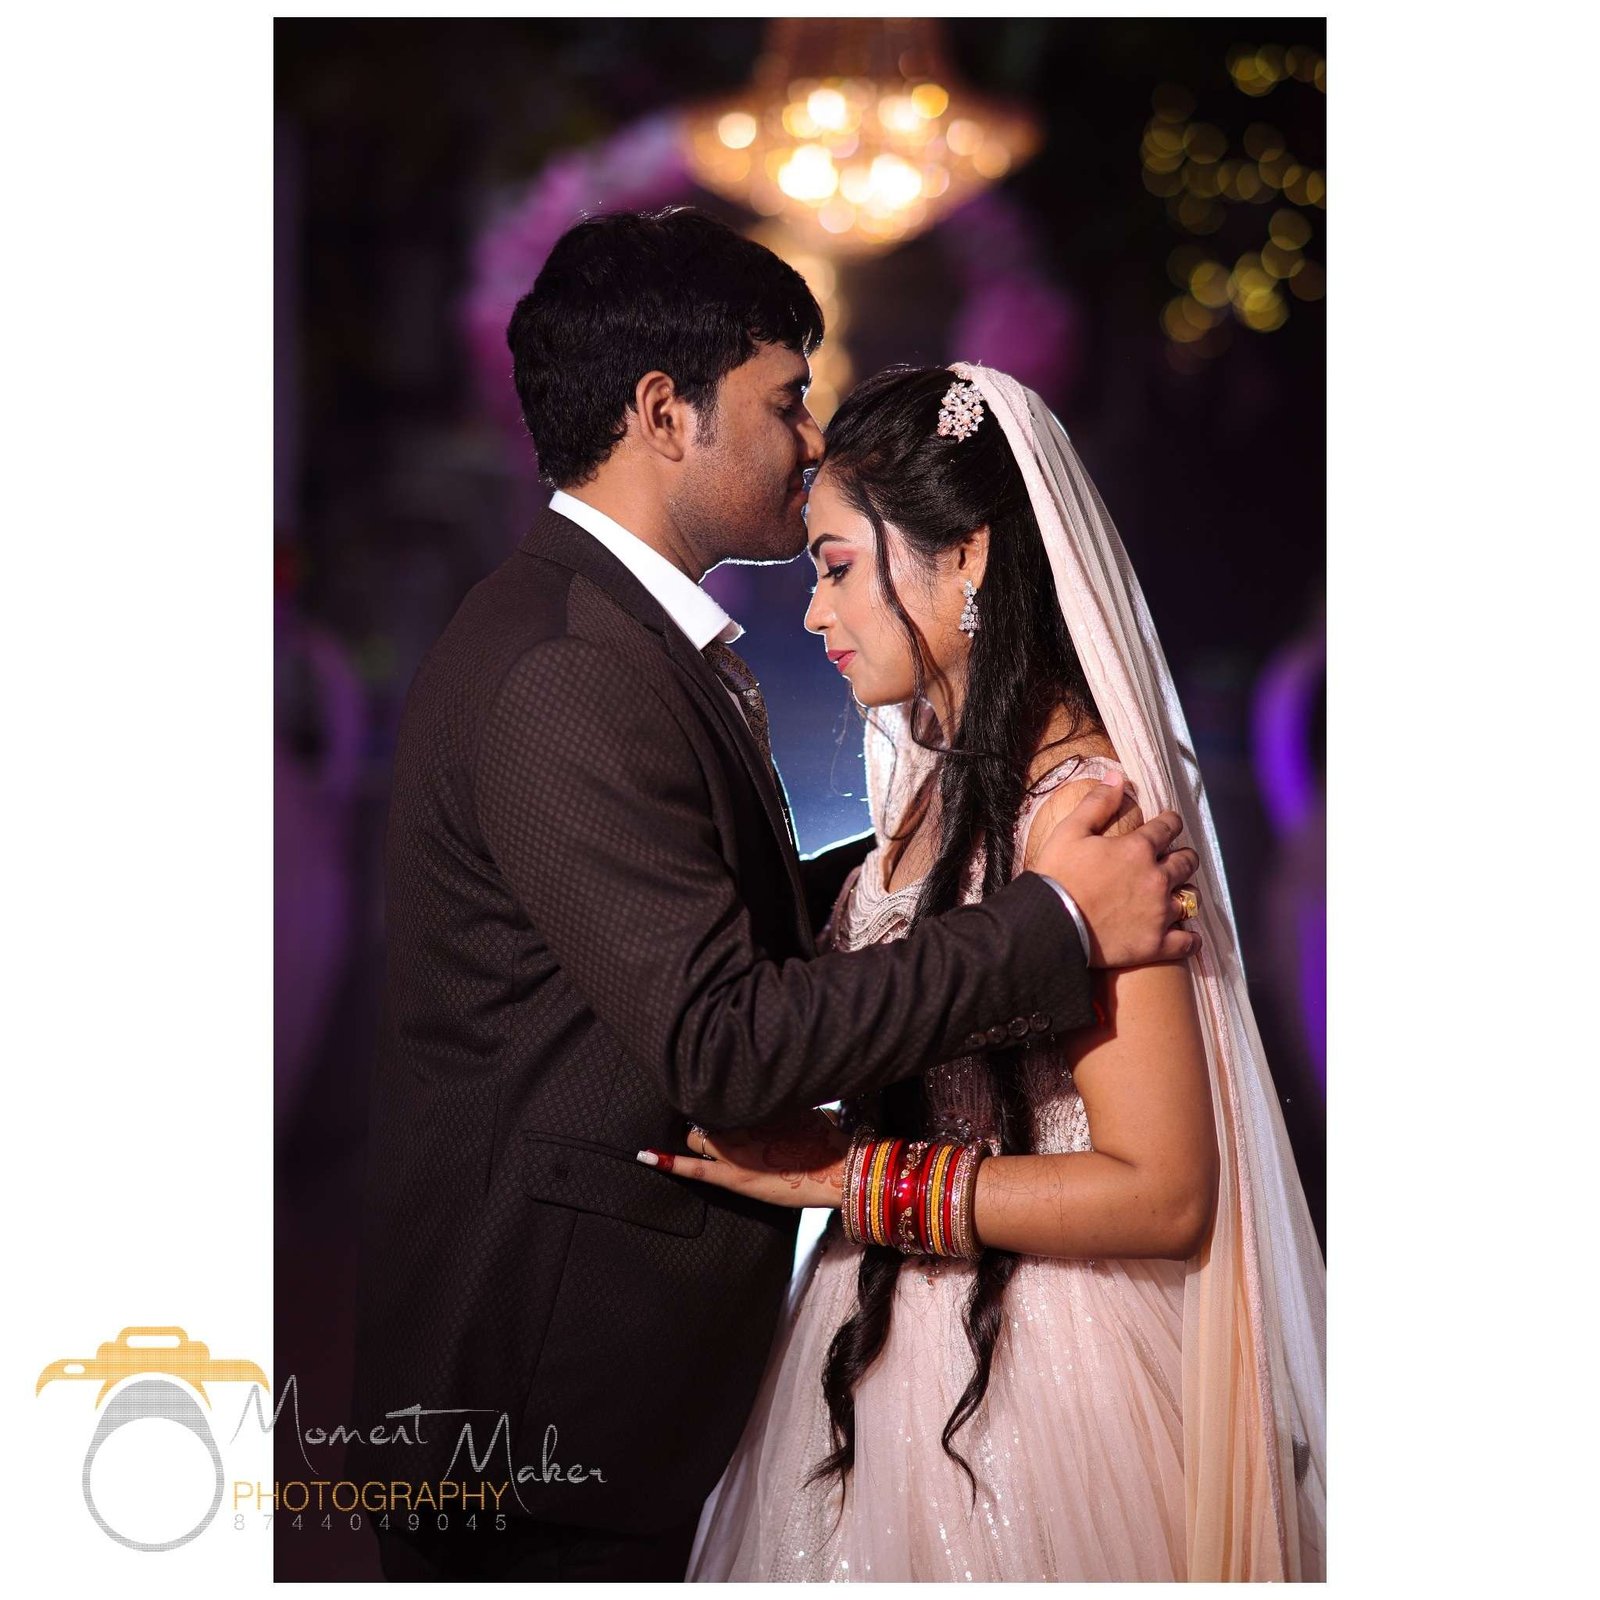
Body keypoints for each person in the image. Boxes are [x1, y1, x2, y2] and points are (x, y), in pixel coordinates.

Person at [346, 212, 1203, 1582]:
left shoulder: (604, 634)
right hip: (540, 1392)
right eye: (786, 397)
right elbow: (722, 1038)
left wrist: (932, 879)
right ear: (662, 412)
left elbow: (696, 913)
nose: (810, 439)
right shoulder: (570, 664)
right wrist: (1049, 920)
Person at [678, 364, 1326, 1582]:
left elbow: (1164, 1191)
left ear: (966, 556)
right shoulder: (939, 785)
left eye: (836, 567)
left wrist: (849, 1179)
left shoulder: (1084, 812)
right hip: (879, 1341)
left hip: (1040, 1374)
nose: (813, 615)